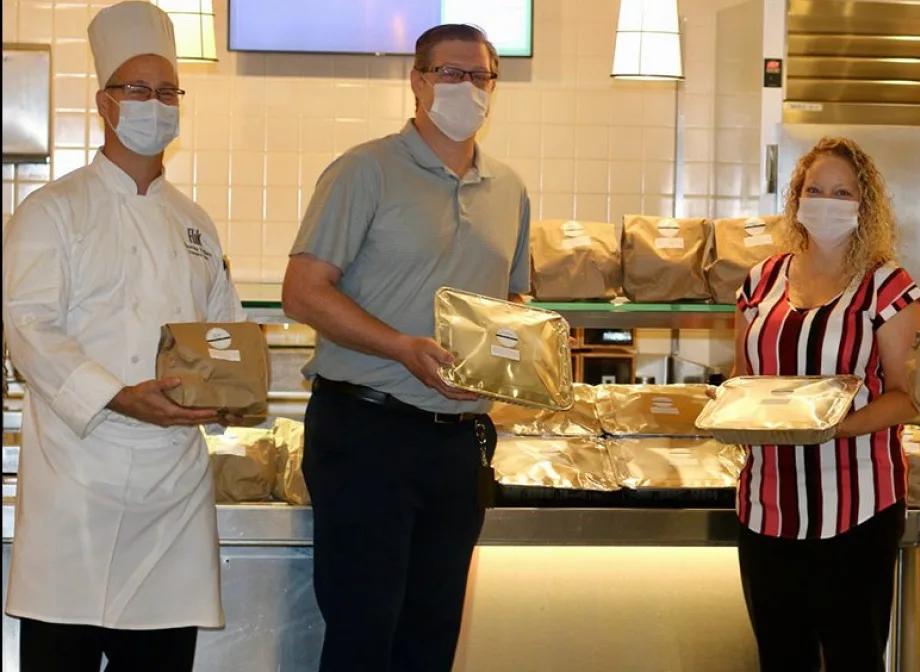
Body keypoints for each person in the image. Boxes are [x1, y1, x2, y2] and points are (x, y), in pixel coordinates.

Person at [281, 24, 530, 672]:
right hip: (366, 434)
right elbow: (303, 292)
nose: (466, 88)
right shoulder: (364, 170)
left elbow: (515, 305)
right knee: (364, 635)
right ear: (417, 81)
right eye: (450, 73)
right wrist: (400, 347)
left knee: (432, 637)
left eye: (480, 76)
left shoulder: (509, 189)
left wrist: (514, 365)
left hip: (459, 445)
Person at [1, 2, 243, 670]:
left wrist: (228, 390)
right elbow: (30, 330)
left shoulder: (195, 223)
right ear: (106, 103)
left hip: (171, 495)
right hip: (75, 486)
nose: (154, 104)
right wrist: (119, 396)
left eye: (167, 91)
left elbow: (226, 332)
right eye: (137, 89)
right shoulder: (53, 210)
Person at [731, 137, 920, 671]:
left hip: (856, 508)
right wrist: (727, 408)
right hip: (766, 508)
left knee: (853, 659)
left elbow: (910, 396)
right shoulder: (760, 281)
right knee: (780, 659)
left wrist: (835, 429)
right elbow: (743, 378)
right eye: (815, 189)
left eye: (842, 192)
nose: (826, 201)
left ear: (865, 206)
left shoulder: (889, 288)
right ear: (796, 199)